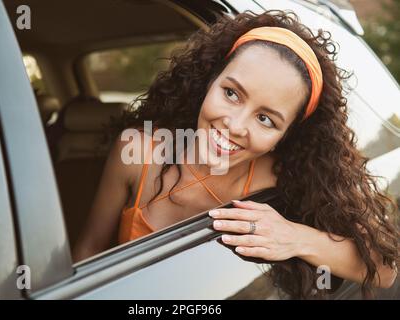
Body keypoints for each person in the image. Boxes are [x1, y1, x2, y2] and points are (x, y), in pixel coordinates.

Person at [73, 10, 398, 299]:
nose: (234, 126)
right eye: (231, 93)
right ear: (209, 81)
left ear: (286, 136)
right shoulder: (139, 152)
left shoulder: (286, 179)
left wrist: (298, 237)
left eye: (266, 119)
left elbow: (385, 271)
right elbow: (88, 249)